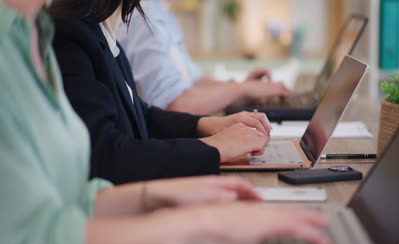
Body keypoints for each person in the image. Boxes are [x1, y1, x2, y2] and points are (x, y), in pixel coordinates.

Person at [0, 0, 331, 244]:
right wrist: (206, 220)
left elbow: (72, 195)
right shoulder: (59, 33)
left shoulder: (33, 33)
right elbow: (42, 240)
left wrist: (158, 194)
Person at [48, 0, 275, 185]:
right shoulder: (69, 33)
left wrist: (205, 125)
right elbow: (107, 156)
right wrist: (214, 147)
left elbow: (140, 115)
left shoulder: (97, 27)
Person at [115, 0, 292, 116]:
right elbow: (176, 106)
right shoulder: (145, 19)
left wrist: (242, 88)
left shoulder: (162, 14)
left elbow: (194, 80)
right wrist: (241, 89)